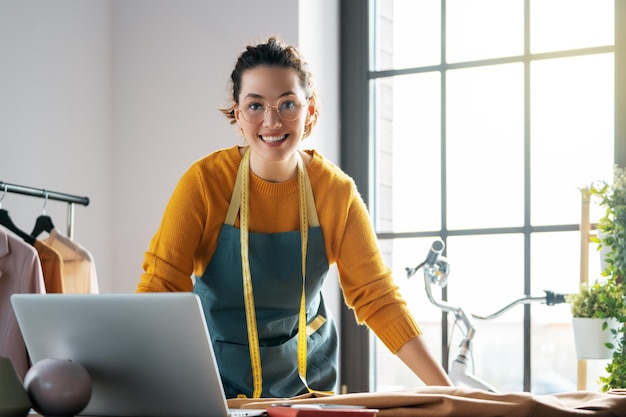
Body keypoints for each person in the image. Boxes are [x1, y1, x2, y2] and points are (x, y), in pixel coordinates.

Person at [137, 36, 452, 398]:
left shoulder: (336, 193)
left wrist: (452, 394)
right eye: (255, 105)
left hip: (308, 384)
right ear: (237, 113)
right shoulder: (205, 184)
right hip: (214, 381)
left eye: (287, 103)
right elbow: (160, 289)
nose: (271, 121)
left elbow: (377, 297)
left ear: (310, 109)